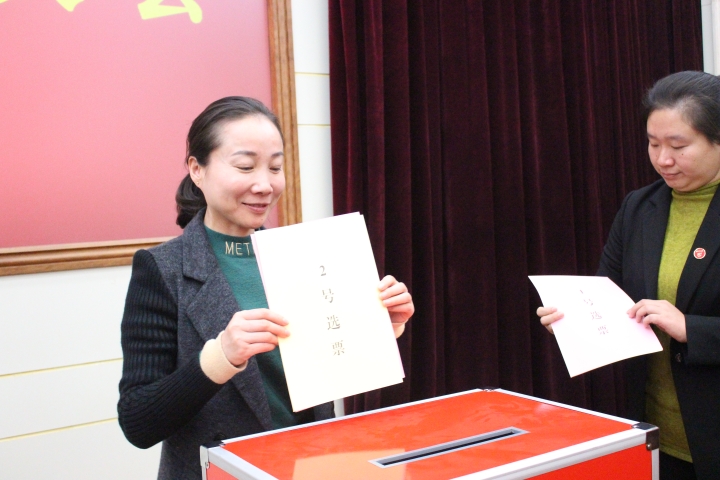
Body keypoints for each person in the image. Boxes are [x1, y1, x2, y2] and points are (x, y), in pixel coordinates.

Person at [117, 97, 415, 480]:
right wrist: (220, 357)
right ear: (197, 169)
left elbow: (331, 367)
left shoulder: (301, 256)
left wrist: (380, 325)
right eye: (245, 166)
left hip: (314, 467)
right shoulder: (163, 269)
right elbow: (138, 422)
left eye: (275, 167)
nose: (264, 184)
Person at [538, 71, 720, 480]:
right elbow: (610, 294)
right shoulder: (640, 207)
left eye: (679, 146)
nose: (663, 159)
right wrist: (572, 319)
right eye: (653, 144)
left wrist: (691, 329)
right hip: (657, 433)